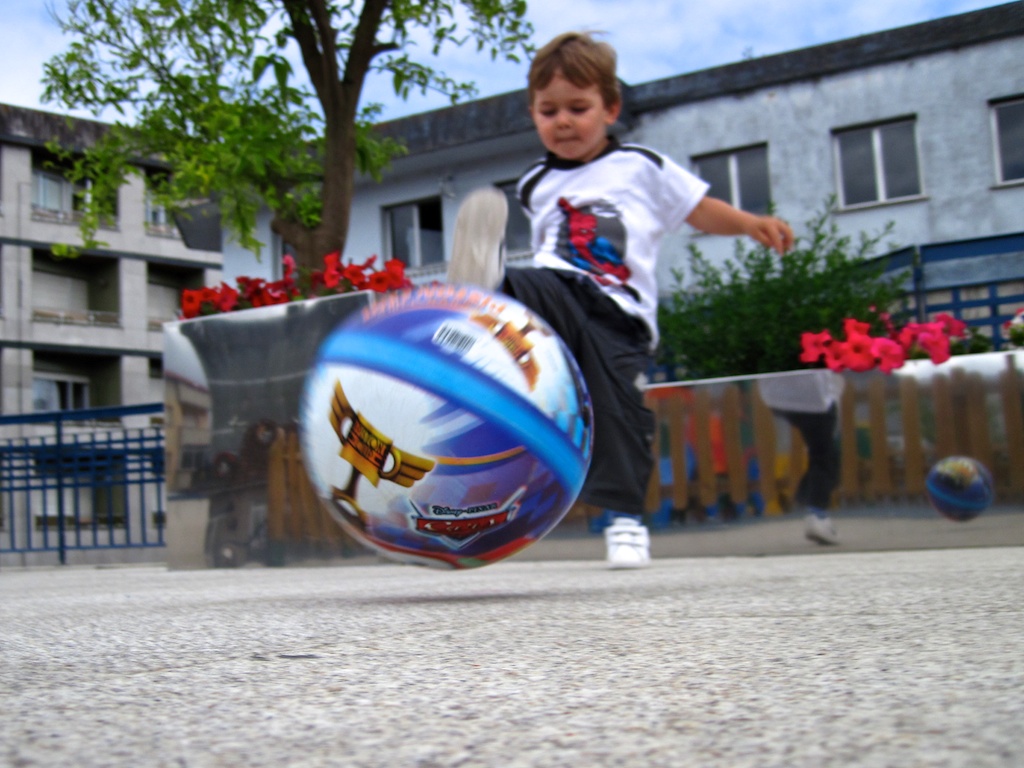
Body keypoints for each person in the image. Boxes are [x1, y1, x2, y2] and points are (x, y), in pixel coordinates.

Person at [447, 31, 794, 568]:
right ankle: (488, 281)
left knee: (621, 415)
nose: (563, 121)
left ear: (610, 108)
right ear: (533, 115)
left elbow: (698, 209)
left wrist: (750, 224)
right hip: (560, 290)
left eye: (578, 108)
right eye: (548, 111)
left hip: (621, 315)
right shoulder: (535, 181)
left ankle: (626, 521)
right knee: (532, 283)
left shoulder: (641, 165)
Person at [756, 370, 844, 545]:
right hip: (814, 397)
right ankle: (816, 512)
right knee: (824, 455)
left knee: (822, 453)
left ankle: (805, 498)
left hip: (777, 396)